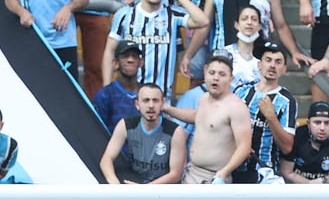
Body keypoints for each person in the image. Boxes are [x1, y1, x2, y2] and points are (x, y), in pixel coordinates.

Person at [106, 0, 207, 99]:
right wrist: (107, 88)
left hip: (162, 98)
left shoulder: (173, 14)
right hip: (129, 97)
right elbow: (109, 51)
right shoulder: (125, 14)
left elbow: (203, 21)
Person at [162, 54, 251, 184]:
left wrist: (224, 173)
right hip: (191, 172)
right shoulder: (203, 98)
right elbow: (196, 116)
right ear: (205, 74)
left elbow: (244, 147)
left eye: (222, 74)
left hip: (215, 177)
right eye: (212, 72)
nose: (216, 78)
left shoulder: (237, 107)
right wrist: (167, 109)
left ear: (231, 79)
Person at [101, 82, 188, 184]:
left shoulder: (175, 131)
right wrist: (116, 185)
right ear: (137, 105)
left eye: (155, 101)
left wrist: (144, 190)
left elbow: (176, 174)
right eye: (146, 100)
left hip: (163, 191)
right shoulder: (125, 125)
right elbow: (106, 159)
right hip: (134, 183)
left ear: (162, 104)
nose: (151, 105)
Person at [234, 41, 295, 183]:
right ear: (259, 65)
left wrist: (271, 117)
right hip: (233, 167)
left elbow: (287, 147)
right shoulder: (241, 91)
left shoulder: (287, 101)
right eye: (268, 60)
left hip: (264, 173)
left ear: (284, 69)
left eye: (278, 62)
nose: (272, 65)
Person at [279, 100, 329, 184]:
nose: (322, 128)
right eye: (317, 122)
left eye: (327, 123)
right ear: (308, 123)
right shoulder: (296, 137)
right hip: (296, 185)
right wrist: (309, 185)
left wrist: (322, 181)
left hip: (325, 186)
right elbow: (286, 172)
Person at [93, 41, 142, 130]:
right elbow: (97, 131)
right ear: (115, 63)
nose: (130, 60)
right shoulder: (104, 95)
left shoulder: (148, 94)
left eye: (134, 56)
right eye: (125, 56)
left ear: (141, 63)